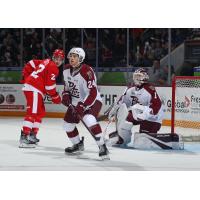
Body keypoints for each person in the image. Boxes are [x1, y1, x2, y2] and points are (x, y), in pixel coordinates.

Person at [62, 47, 109, 159]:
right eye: (71, 56)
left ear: (81, 58)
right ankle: (78, 144)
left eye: (75, 56)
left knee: (89, 119)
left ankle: (102, 146)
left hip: (92, 101)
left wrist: (83, 105)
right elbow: (67, 87)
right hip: (76, 102)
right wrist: (65, 95)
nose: (72, 58)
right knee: (67, 125)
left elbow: (92, 92)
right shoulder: (65, 69)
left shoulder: (87, 71)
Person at [19, 49, 65, 148]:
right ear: (53, 57)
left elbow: (31, 63)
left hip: (36, 88)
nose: (58, 61)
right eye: (56, 58)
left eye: (60, 59)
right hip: (34, 88)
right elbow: (49, 86)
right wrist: (55, 97)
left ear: (62, 61)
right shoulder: (54, 67)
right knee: (32, 112)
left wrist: (26, 76)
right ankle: (24, 137)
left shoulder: (46, 61)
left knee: (40, 113)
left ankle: (32, 135)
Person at [108, 68, 164, 146]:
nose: (136, 79)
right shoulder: (130, 89)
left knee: (143, 143)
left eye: (139, 76)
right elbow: (122, 103)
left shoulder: (150, 89)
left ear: (144, 78)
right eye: (135, 76)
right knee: (125, 116)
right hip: (138, 114)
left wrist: (146, 113)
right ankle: (122, 138)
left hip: (152, 118)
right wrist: (115, 109)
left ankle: (150, 137)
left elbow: (157, 106)